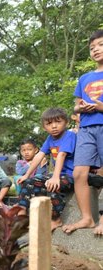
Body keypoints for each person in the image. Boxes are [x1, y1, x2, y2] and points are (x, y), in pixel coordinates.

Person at [62, 29, 103, 234]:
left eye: (101, 45)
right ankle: (87, 218)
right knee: (79, 173)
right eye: (92, 47)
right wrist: (81, 108)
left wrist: (99, 106)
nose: (96, 50)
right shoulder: (84, 78)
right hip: (86, 128)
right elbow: (76, 106)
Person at [17, 108, 75, 231]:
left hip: (71, 176)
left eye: (58, 122)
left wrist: (54, 177)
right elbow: (39, 155)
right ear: (44, 127)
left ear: (66, 123)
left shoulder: (69, 135)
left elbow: (61, 155)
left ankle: (56, 219)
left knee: (52, 185)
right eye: (49, 123)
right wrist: (27, 175)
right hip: (57, 175)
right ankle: (21, 214)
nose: (54, 126)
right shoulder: (49, 139)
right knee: (28, 182)